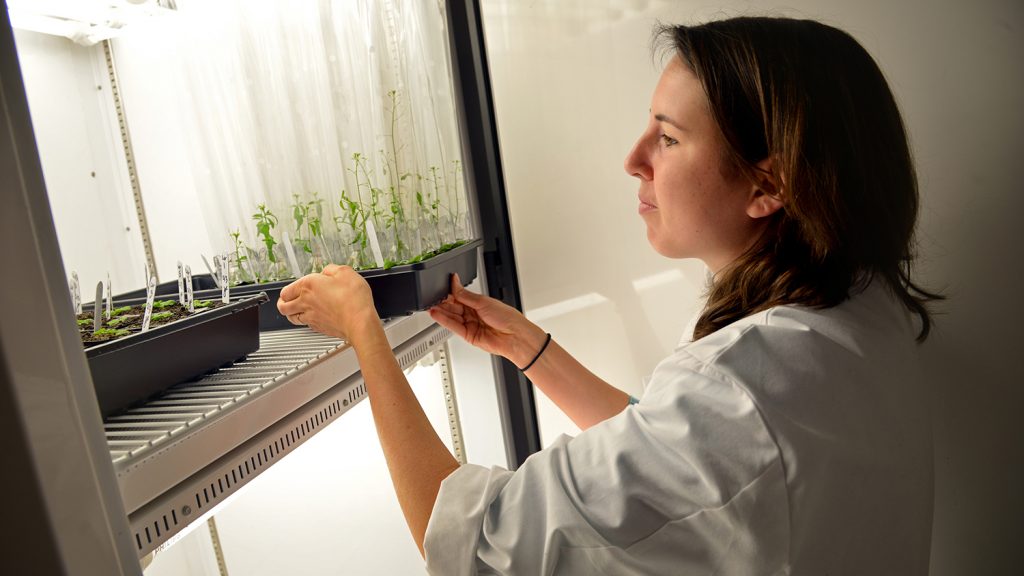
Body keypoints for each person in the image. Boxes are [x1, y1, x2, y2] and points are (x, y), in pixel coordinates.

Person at [278, 16, 939, 575]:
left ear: (768, 187)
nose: (634, 158)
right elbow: (687, 470)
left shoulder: (743, 388)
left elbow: (478, 544)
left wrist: (364, 330)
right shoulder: (851, 312)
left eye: (670, 138)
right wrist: (533, 350)